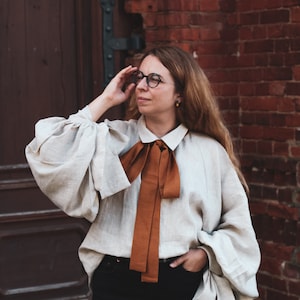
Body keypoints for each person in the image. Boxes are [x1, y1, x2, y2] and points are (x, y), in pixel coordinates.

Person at [25, 46, 260, 300]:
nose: (142, 86)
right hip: (115, 280)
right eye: (140, 77)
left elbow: (238, 225)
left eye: (155, 80)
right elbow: (48, 148)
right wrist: (106, 99)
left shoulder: (210, 153)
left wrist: (207, 254)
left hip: (181, 281)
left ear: (180, 93)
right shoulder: (113, 139)